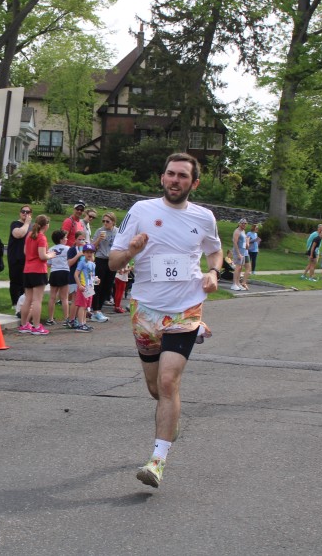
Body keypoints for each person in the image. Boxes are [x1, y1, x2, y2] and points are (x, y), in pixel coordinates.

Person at [109, 152, 222, 489]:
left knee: (169, 382)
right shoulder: (140, 211)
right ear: (162, 178)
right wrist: (131, 251)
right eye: (171, 174)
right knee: (155, 388)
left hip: (186, 308)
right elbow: (113, 262)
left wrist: (213, 272)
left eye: (183, 176)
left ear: (194, 183)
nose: (175, 180)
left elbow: (215, 251)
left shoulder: (204, 217)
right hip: (146, 310)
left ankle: (157, 461)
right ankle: (170, 421)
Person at [20, 215, 53, 335]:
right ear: (46, 225)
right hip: (38, 270)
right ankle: (37, 326)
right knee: (37, 300)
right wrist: (51, 255)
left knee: (28, 299)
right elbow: (42, 256)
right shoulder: (41, 237)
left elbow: (25, 251)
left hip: (27, 270)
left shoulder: (29, 235)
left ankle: (24, 325)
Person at [90, 212, 117, 321]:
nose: (105, 223)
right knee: (98, 285)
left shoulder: (118, 232)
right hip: (101, 259)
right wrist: (99, 239)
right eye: (103, 221)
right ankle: (95, 310)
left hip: (112, 260)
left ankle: (99, 309)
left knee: (108, 286)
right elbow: (92, 247)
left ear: (113, 222)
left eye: (107, 221)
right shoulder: (99, 231)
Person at [8, 206, 32, 309]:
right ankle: (15, 303)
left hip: (27, 258)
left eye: (27, 212)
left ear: (31, 214)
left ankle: (22, 303)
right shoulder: (15, 224)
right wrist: (26, 223)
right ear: (20, 212)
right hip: (15, 256)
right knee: (15, 281)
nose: (25, 213)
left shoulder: (31, 226)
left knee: (24, 282)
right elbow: (19, 234)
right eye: (23, 211)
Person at [46, 229, 71, 326]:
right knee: (64, 298)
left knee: (52, 297)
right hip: (65, 272)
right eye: (65, 237)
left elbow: (48, 264)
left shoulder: (51, 249)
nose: (67, 239)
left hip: (54, 273)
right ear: (61, 239)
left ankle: (50, 319)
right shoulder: (68, 249)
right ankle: (66, 319)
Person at [63, 231, 87, 329]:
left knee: (82, 300)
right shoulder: (72, 250)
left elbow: (91, 261)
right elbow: (69, 263)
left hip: (84, 278)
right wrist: (78, 255)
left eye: (83, 239)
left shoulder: (86, 249)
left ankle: (79, 319)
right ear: (75, 240)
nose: (81, 241)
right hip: (74, 277)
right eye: (79, 239)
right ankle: (71, 319)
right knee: (75, 299)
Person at [73, 244, 98, 332]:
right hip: (83, 286)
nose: (89, 254)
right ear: (83, 253)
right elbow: (76, 274)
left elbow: (92, 276)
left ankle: (84, 323)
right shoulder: (82, 262)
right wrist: (79, 285)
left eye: (91, 252)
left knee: (86, 307)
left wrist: (96, 280)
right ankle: (80, 324)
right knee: (82, 306)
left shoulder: (92, 264)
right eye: (87, 252)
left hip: (90, 287)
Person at [231, 218, 248, 290]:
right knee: (237, 268)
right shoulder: (237, 231)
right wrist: (238, 253)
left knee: (240, 268)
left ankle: (238, 283)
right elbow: (235, 242)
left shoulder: (243, 231)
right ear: (239, 223)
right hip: (238, 252)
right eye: (242, 223)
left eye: (245, 223)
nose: (244, 224)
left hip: (243, 251)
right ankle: (234, 284)